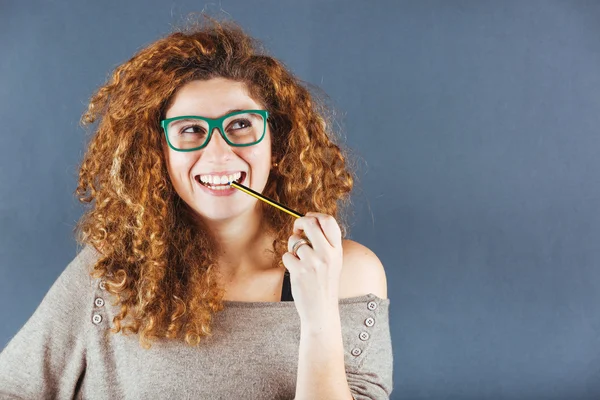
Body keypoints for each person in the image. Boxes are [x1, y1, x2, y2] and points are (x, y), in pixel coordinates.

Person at [0, 16, 393, 399]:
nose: (218, 152)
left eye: (240, 124)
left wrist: (320, 314)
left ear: (277, 142)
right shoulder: (112, 271)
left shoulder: (347, 274)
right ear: (158, 155)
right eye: (190, 130)